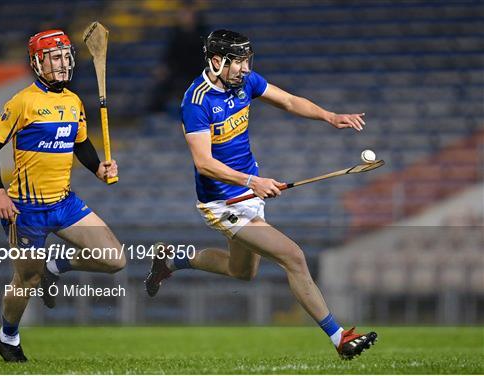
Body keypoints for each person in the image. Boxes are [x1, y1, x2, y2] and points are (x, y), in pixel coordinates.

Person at [145, 29, 377, 360]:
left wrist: (330, 116)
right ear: (216, 61)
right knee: (293, 256)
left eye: (246, 61)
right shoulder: (196, 102)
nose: (244, 68)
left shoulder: (247, 83)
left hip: (247, 191)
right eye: (237, 62)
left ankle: (170, 261)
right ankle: (339, 337)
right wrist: (251, 181)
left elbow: (289, 100)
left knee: (242, 272)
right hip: (223, 201)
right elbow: (204, 163)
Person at [0, 29, 125, 362]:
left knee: (115, 259)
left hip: (65, 202)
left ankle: (53, 265)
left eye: (65, 56)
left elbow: (80, 145)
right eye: (55, 57)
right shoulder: (22, 102)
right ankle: (8, 337)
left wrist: (99, 169)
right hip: (25, 211)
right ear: (37, 62)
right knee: (26, 280)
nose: (63, 64)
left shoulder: (73, 102)